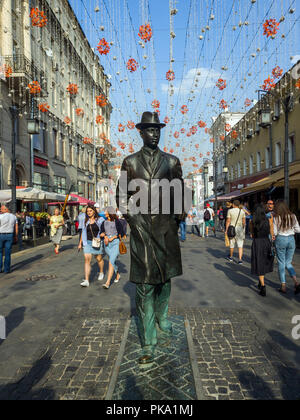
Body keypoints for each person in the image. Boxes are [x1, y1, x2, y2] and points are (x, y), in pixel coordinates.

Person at [116, 111, 188, 365]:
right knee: (145, 284)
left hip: (166, 229)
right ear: (141, 133)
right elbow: (121, 195)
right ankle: (148, 341)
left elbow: (180, 192)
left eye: (157, 129)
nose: (154, 133)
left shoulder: (171, 161)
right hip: (142, 229)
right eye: (150, 130)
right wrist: (132, 220)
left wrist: (177, 219)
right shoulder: (130, 162)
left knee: (165, 277)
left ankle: (163, 316)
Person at [273, 200, 300, 295]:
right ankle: (296, 282)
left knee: (281, 262)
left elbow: (275, 232)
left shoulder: (276, 217)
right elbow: (298, 229)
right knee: (288, 262)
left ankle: (283, 285)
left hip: (281, 238)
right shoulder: (292, 216)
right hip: (291, 239)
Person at [250, 204, 274, 297]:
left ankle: (263, 286)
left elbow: (251, 235)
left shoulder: (253, 222)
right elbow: (271, 232)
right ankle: (261, 281)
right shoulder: (269, 220)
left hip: (257, 243)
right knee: (264, 262)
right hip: (266, 242)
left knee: (259, 263)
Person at [78, 205, 105, 288]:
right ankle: (86, 280)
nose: (89, 212)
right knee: (87, 259)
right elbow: (83, 231)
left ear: (94, 211)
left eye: (90, 211)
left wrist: (103, 234)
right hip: (87, 243)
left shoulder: (100, 220)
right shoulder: (86, 221)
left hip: (97, 242)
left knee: (98, 258)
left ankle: (101, 272)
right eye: (87, 211)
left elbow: (104, 229)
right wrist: (80, 243)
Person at [100, 207, 123, 289]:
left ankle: (108, 282)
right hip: (107, 245)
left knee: (110, 262)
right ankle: (117, 274)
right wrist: (105, 236)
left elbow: (121, 233)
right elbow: (101, 233)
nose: (104, 213)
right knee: (112, 261)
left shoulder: (117, 222)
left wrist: (113, 238)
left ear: (110, 213)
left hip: (115, 243)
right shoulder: (103, 222)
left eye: (105, 212)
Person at [225, 200, 246, 264]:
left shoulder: (230, 211)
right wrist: (243, 228)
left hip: (232, 228)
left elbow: (228, 221)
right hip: (240, 229)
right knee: (240, 245)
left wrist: (226, 230)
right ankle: (240, 259)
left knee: (232, 244)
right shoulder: (242, 211)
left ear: (233, 204)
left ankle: (231, 257)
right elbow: (244, 222)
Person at [0, 204, 18, 273]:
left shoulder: (0, 216)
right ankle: (6, 269)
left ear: (6, 209)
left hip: (1, 235)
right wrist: (15, 236)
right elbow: (16, 227)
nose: (0, 210)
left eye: (1, 209)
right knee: (8, 253)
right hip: (10, 235)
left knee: (0, 252)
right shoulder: (14, 216)